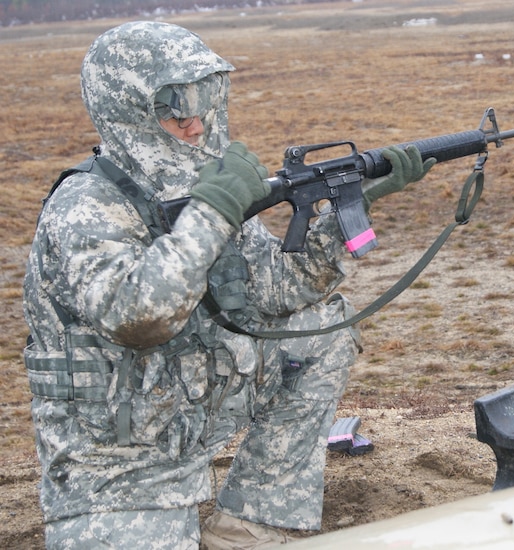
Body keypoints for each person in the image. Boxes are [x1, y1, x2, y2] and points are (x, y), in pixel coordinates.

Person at [23, 21, 434, 549]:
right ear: (128, 110)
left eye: (204, 98)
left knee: (322, 330)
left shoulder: (196, 183)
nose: (195, 124)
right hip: (115, 460)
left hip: (188, 407)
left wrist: (349, 210)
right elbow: (139, 317)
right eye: (174, 107)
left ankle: (253, 522)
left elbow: (278, 289)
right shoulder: (84, 207)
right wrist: (215, 211)